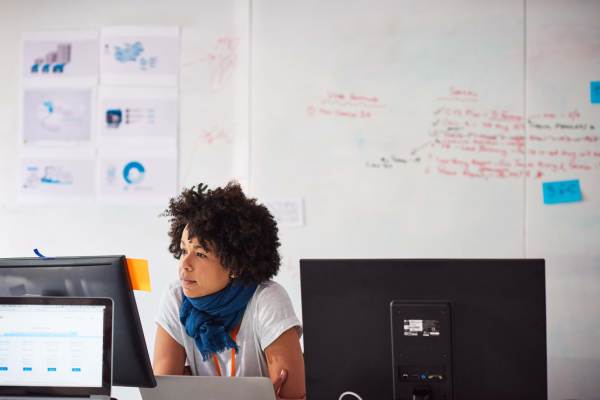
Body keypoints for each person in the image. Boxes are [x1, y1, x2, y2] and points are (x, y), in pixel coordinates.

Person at [153, 182, 305, 400]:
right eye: (184, 250)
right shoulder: (176, 298)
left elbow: (292, 396)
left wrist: (192, 387)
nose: (184, 264)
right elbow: (163, 395)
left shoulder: (267, 300)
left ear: (233, 266)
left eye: (200, 254)